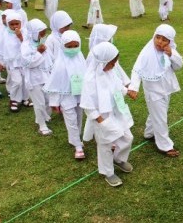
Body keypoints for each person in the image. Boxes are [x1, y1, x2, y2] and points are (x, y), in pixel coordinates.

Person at [81, 42, 134, 187]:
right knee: (105, 144)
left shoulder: (110, 72)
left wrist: (127, 91)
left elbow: (118, 87)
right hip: (102, 117)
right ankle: (108, 173)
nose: (114, 65)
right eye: (112, 62)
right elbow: (88, 105)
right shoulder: (90, 79)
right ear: (102, 62)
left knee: (127, 137)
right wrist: (100, 121)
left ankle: (118, 158)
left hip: (117, 111)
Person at [127, 24, 183, 157]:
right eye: (158, 37)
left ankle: (149, 132)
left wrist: (171, 54)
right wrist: (134, 87)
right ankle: (165, 146)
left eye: (164, 39)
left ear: (170, 41)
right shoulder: (147, 52)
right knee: (161, 117)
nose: (160, 42)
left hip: (166, 88)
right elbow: (137, 69)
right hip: (153, 90)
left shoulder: (170, 51)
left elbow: (178, 66)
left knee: (158, 113)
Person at [42, 30, 86, 160]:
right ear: (63, 46)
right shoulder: (60, 63)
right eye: (69, 46)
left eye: (75, 46)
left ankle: (76, 138)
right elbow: (56, 84)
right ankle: (78, 146)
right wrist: (54, 103)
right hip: (65, 96)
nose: (72, 49)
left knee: (79, 117)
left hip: (79, 94)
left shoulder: (81, 59)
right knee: (71, 120)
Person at [0, 11, 32, 112]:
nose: (15, 26)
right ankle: (14, 99)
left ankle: (25, 98)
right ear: (8, 24)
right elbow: (2, 50)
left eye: (17, 23)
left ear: (21, 23)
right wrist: (1, 62)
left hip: (23, 61)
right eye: (12, 24)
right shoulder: (5, 34)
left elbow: (28, 46)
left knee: (25, 80)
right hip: (12, 63)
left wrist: (20, 37)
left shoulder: (25, 32)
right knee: (17, 81)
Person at [22, 19, 53, 135]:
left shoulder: (42, 43)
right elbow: (27, 63)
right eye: (41, 32)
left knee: (48, 100)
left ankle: (43, 117)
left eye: (44, 32)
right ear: (33, 32)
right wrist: (38, 52)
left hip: (45, 76)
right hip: (34, 78)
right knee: (38, 102)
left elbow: (49, 59)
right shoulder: (25, 45)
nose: (43, 35)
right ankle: (42, 125)